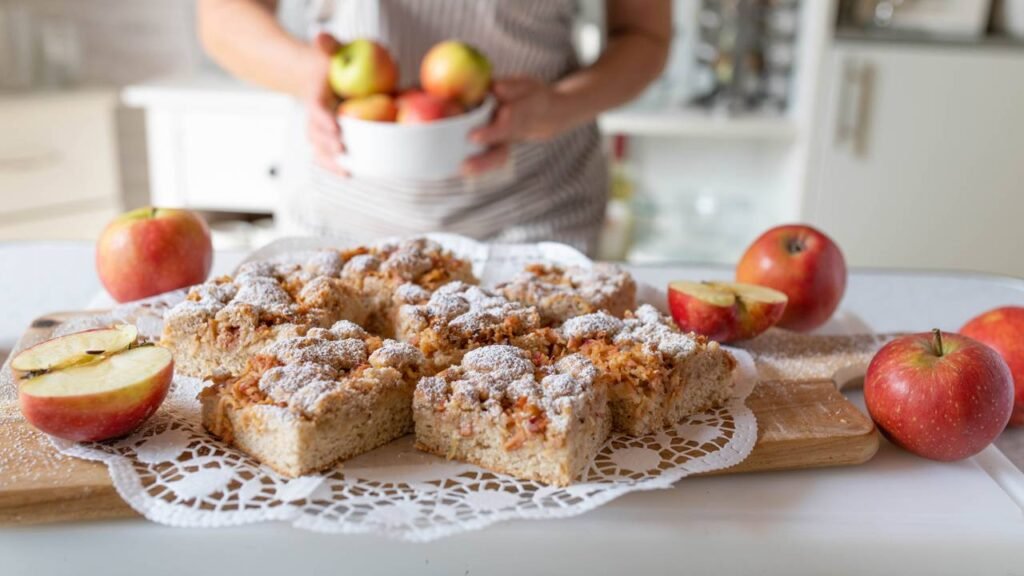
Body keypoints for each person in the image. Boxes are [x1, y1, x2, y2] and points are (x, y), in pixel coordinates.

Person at [198, 0, 670, 255]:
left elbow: (645, 33)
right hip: (338, 219)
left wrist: (561, 106)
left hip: (535, 219)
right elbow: (222, 14)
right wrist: (304, 73)